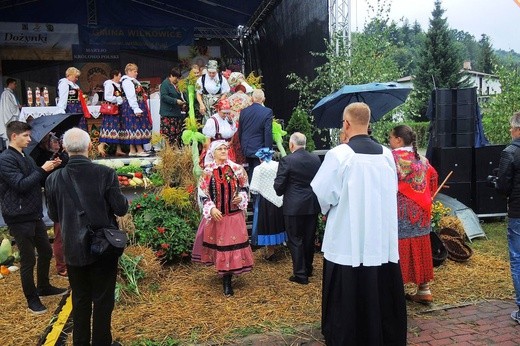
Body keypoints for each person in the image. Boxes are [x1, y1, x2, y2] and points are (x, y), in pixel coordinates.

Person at [310, 102, 407, 345]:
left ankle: (348, 336)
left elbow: (322, 195)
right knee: (379, 288)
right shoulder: (387, 154)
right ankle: (382, 334)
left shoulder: (339, 155)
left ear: (346, 124)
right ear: (369, 123)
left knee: (348, 289)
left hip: (348, 237)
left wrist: (325, 210)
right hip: (379, 237)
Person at [45, 127, 128, 345]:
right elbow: (120, 208)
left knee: (80, 299)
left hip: (72, 247)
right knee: (102, 299)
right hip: (102, 247)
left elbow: (54, 215)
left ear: (64, 148)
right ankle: (102, 342)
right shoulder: (105, 173)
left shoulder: (53, 179)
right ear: (90, 145)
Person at [0, 121, 67, 315]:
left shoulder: (24, 156)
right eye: (26, 136)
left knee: (45, 251)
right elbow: (20, 184)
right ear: (14, 137)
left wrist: (51, 167)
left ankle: (43, 286)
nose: (30, 140)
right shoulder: (5, 159)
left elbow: (35, 178)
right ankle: (32, 300)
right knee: (28, 259)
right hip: (18, 215)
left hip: (33, 213)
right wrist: (42, 170)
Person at [389, 124, 438, 304]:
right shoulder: (422, 159)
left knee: (399, 247)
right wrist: (427, 195)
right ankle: (424, 289)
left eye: (390, 138)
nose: (389, 141)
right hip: (422, 211)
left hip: (400, 210)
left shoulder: (392, 158)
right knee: (421, 244)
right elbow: (433, 176)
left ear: (398, 140)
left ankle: (396, 290)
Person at [198, 140, 253, 297]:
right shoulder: (207, 171)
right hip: (218, 217)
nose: (223, 151)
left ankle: (228, 280)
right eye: (220, 149)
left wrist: (241, 197)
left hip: (234, 216)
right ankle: (225, 278)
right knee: (222, 247)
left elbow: (245, 186)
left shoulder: (237, 169)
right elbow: (202, 193)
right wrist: (212, 207)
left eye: (225, 148)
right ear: (213, 153)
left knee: (231, 245)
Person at [274, 132, 321, 285]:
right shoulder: (315, 159)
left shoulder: (287, 160)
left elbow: (279, 186)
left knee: (295, 239)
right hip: (312, 204)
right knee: (308, 238)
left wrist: (280, 190)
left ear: (291, 145)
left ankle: (300, 274)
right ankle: (308, 268)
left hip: (293, 206)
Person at [496, 111, 520, 325]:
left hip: (518, 213)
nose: (510, 132)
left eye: (512, 128)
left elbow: (503, 186)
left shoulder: (510, 152)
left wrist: (494, 182)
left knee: (518, 259)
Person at [249, 148, 286, 260]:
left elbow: (254, 188)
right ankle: (282, 245)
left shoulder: (258, 169)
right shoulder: (278, 165)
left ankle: (270, 252)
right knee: (279, 222)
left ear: (260, 158)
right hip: (280, 197)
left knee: (267, 225)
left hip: (265, 201)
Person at [238, 89, 273, 180]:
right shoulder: (267, 112)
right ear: (263, 99)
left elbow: (240, 131)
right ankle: (255, 194)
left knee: (250, 173)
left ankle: (250, 192)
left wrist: (242, 146)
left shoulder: (243, 111)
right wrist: (267, 153)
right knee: (259, 175)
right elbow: (268, 133)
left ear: (252, 98)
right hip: (259, 149)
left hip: (246, 147)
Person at [120, 63, 152, 157]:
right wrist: (136, 108)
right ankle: (139, 149)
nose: (136, 73)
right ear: (129, 71)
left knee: (133, 127)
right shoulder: (127, 82)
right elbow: (131, 96)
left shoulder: (133, 81)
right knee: (136, 127)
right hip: (133, 107)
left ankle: (132, 150)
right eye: (134, 71)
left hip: (136, 106)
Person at [98, 69, 125, 157]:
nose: (120, 78)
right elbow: (107, 96)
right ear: (114, 75)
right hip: (112, 110)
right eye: (119, 76)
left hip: (117, 109)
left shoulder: (118, 85)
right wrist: (117, 99)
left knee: (118, 129)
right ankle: (101, 146)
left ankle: (118, 149)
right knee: (109, 128)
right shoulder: (109, 84)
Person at [201, 98, 237, 164]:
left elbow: (233, 131)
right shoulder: (212, 121)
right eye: (224, 113)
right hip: (217, 151)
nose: (226, 115)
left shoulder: (229, 119)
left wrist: (231, 142)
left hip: (228, 149)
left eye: (228, 113)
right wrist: (210, 153)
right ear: (218, 110)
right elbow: (207, 139)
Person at [159, 68, 186, 147]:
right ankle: (169, 150)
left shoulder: (176, 85)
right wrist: (175, 101)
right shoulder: (165, 84)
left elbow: (179, 96)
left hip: (176, 113)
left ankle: (175, 148)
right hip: (168, 113)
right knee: (168, 134)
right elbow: (164, 97)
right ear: (171, 75)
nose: (177, 80)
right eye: (176, 77)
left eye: (178, 78)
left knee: (176, 134)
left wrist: (182, 103)